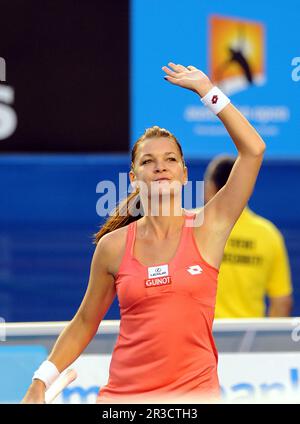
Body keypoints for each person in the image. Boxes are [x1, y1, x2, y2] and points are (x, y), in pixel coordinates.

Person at [21, 62, 266, 404]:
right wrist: (39, 382)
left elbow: (253, 150)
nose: (160, 166)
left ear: (183, 173)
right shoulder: (112, 247)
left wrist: (207, 91)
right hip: (123, 401)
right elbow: (84, 323)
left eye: (169, 159)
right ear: (134, 177)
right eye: (148, 161)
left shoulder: (209, 226)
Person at [204, 154, 293, 318]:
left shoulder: (191, 225)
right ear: (246, 187)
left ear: (210, 187)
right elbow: (281, 303)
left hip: (200, 336)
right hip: (249, 337)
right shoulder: (268, 234)